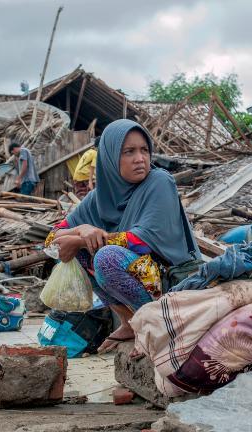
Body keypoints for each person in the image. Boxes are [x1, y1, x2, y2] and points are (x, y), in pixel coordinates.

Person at [45, 119, 201, 354]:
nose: (140, 158)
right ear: (109, 158)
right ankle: (129, 322)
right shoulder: (98, 198)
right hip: (142, 277)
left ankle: (154, 324)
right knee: (78, 253)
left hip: (174, 279)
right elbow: (51, 241)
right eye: (129, 152)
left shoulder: (159, 182)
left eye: (144, 150)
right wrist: (81, 230)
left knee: (106, 257)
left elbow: (141, 242)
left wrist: (80, 239)